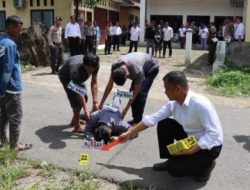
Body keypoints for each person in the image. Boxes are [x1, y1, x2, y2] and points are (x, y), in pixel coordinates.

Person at [118, 71, 223, 182]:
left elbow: (214, 133)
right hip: (192, 139)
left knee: (176, 171)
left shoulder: (201, 104)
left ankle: (207, 166)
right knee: (165, 124)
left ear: (177, 89)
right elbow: (152, 119)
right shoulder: (173, 104)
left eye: (167, 89)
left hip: (209, 146)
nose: (165, 92)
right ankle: (172, 160)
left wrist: (190, 151)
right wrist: (129, 133)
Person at [99, 52, 159, 125]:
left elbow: (135, 93)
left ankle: (137, 122)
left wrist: (125, 110)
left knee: (140, 94)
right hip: (139, 62)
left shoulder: (137, 71)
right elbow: (109, 85)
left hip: (151, 67)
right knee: (131, 92)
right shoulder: (115, 66)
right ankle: (135, 119)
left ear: (127, 75)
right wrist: (101, 103)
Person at [0, 15, 32, 150]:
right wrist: (2, 90)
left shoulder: (1, 41)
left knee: (3, 116)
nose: (20, 32)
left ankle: (2, 141)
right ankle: (14, 146)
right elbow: (7, 69)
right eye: (19, 30)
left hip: (3, 89)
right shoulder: (10, 44)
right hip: (11, 88)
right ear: (10, 27)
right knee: (15, 117)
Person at [58, 53, 99, 133]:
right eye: (90, 69)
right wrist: (86, 111)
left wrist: (95, 102)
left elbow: (94, 83)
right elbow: (79, 93)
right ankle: (77, 126)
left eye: (94, 68)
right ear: (84, 65)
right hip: (66, 77)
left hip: (79, 78)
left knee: (85, 98)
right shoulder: (75, 71)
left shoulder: (95, 64)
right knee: (76, 101)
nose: (92, 71)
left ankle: (75, 119)